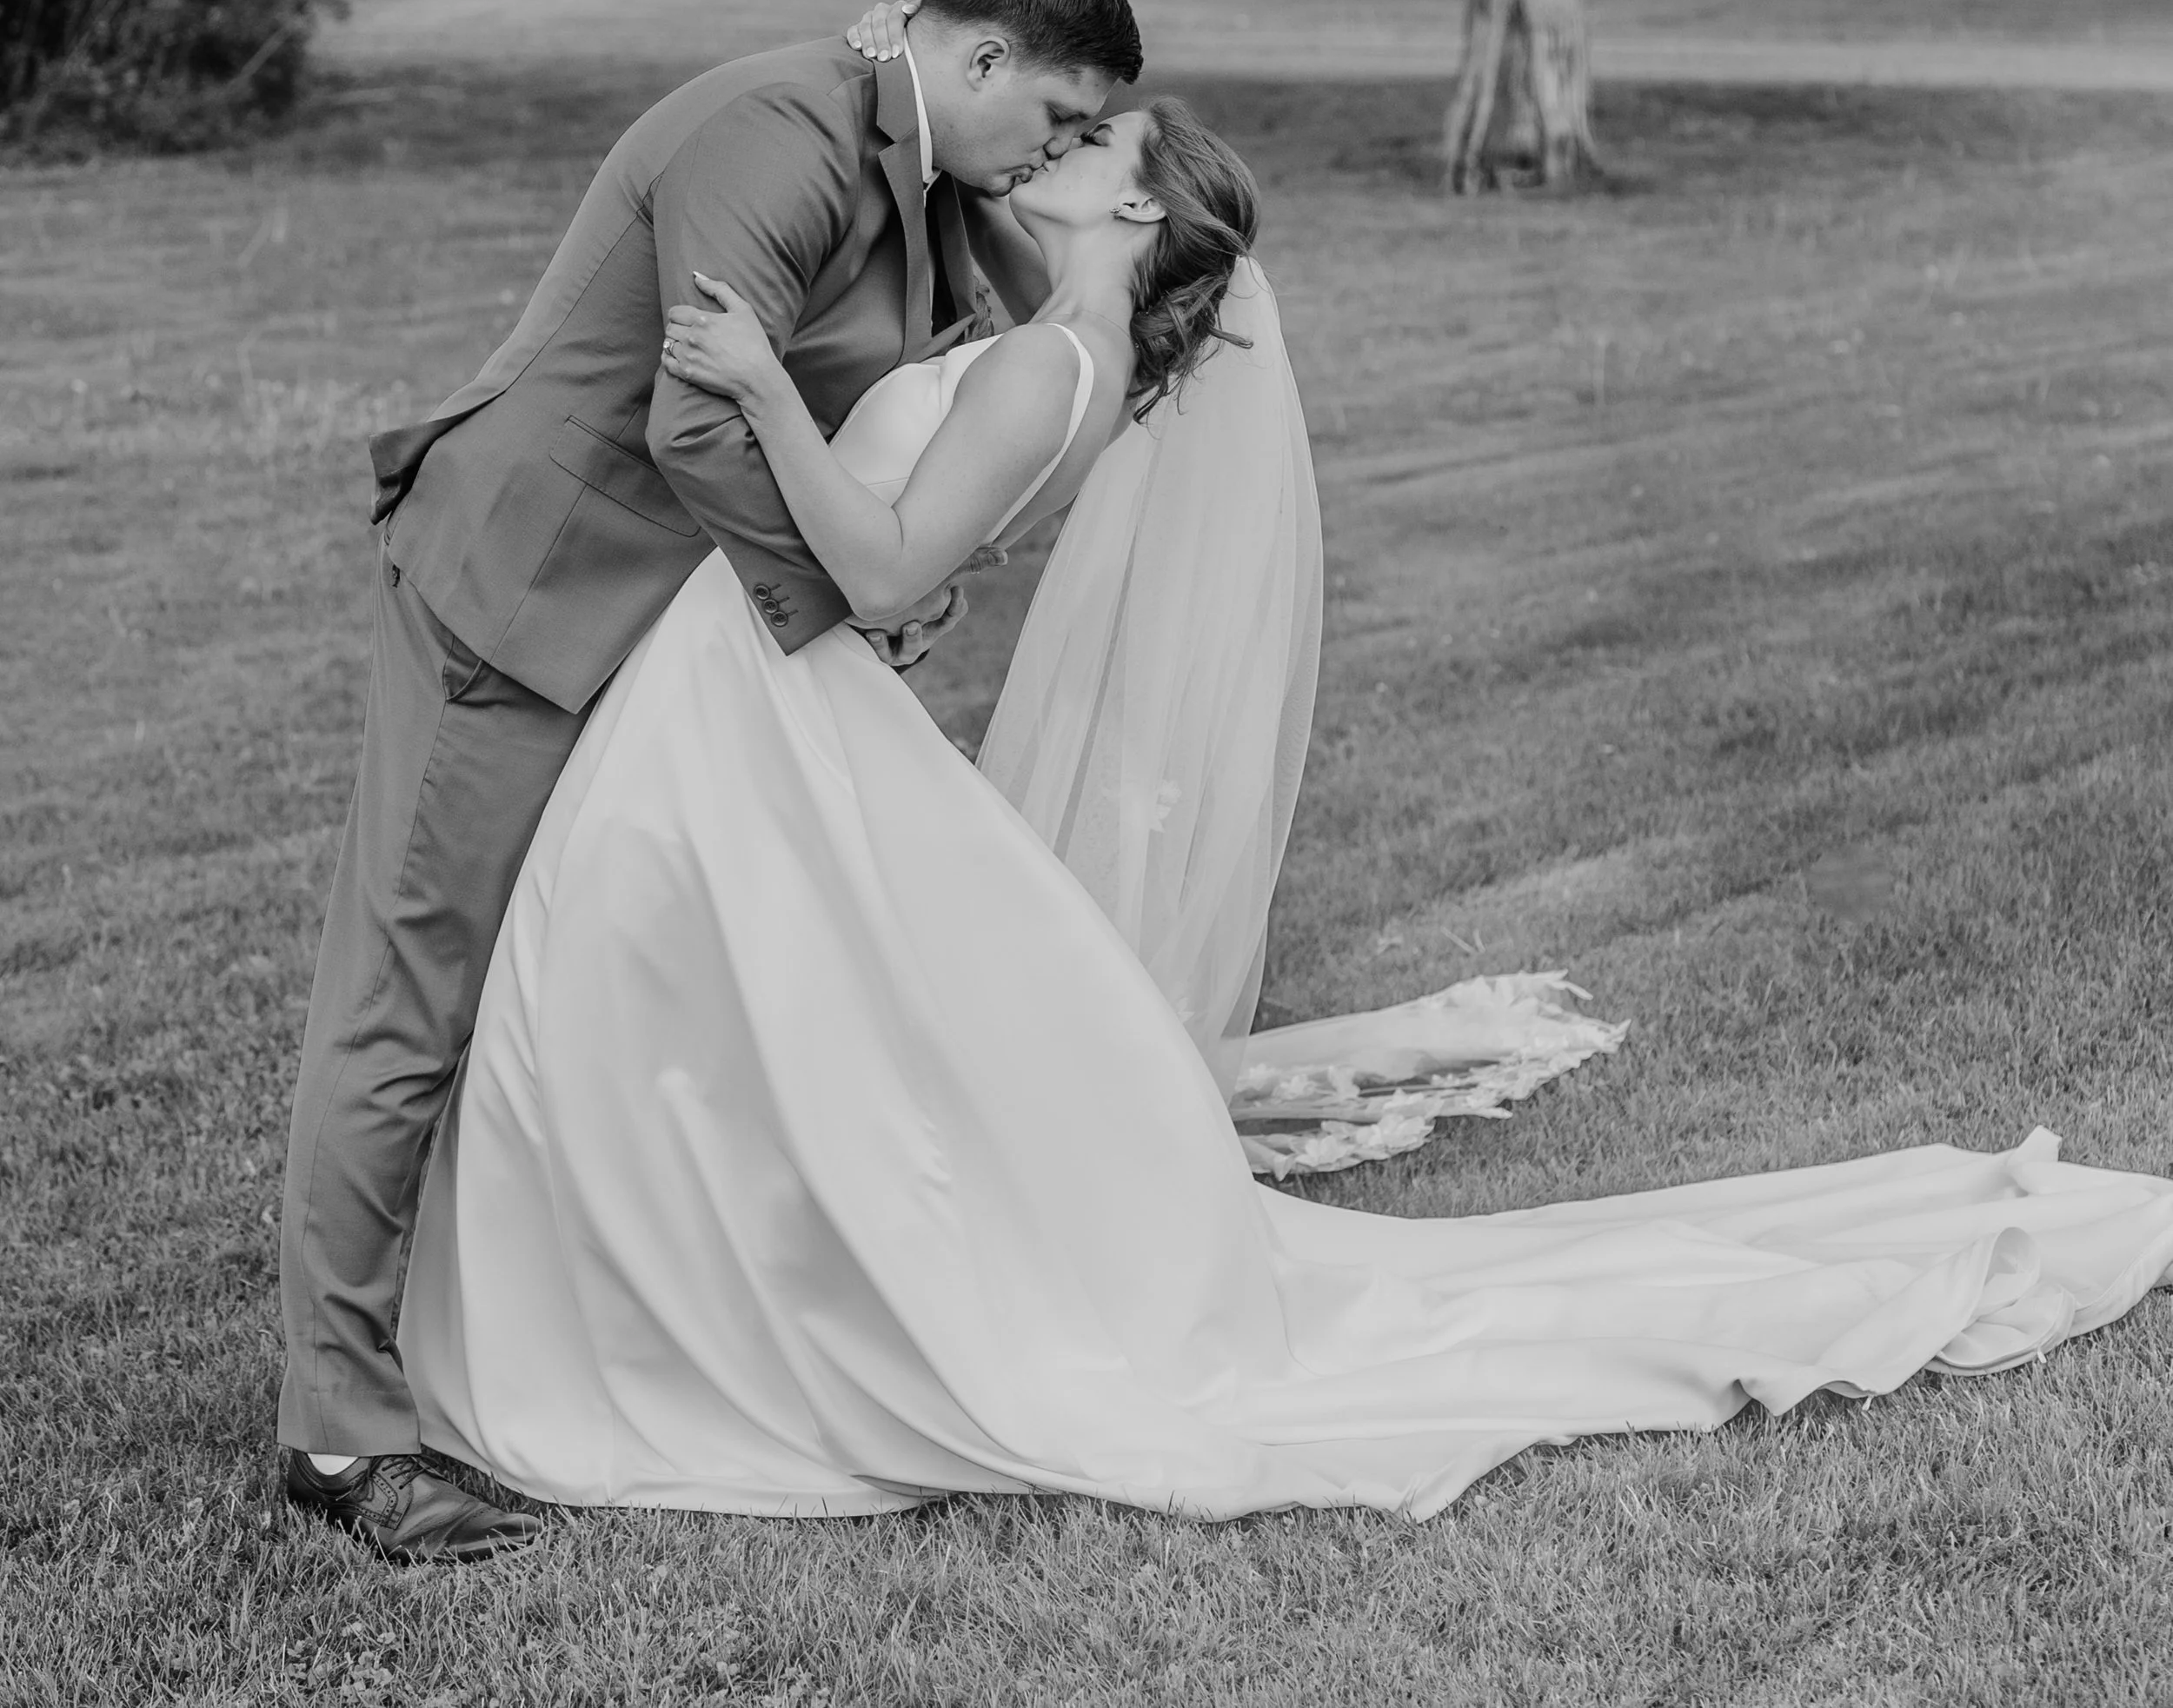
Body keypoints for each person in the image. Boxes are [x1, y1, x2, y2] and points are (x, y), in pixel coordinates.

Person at [392, 79, 2173, 1525]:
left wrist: (768, 388)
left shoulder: (1045, 365)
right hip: (746, 702)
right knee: (738, 1028)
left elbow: (869, 572)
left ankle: (656, 1327)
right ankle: (678, 1294)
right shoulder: (1056, 346)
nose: (1058, 149)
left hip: (772, 686)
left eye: (1093, 147)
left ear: (1140, 215)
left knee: (693, 1014)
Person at [276, 0, 1143, 1559]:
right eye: (1049, 114)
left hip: (653, 626)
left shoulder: (915, 161)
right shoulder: (777, 135)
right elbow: (693, 411)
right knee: (406, 1005)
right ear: (974, 60)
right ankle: (336, 1446)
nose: (1053, 151)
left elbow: (1024, 305)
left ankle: (544, 1327)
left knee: (562, 994)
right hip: (521, 594)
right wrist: (845, 609)